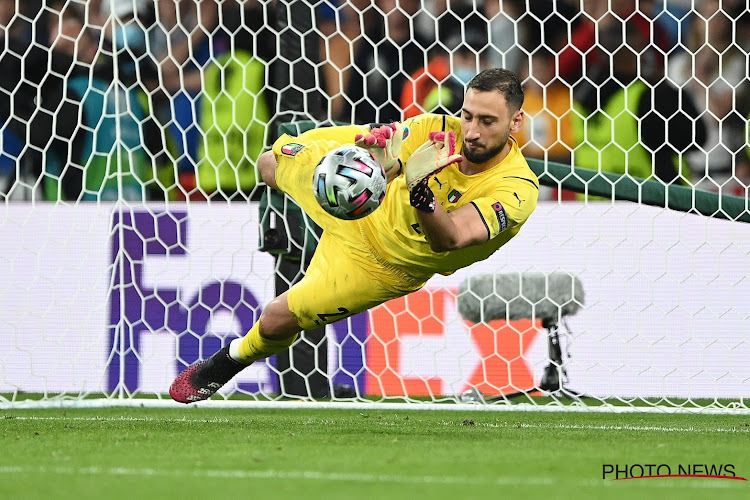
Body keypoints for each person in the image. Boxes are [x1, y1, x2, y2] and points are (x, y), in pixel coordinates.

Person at [170, 68, 540, 403]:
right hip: (368, 207)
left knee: (275, 319)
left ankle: (230, 359)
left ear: (516, 121)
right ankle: (330, 207)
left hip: (383, 266)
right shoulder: (439, 130)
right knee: (271, 161)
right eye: (467, 115)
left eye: (487, 121)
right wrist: (376, 159)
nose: (472, 131)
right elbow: (390, 163)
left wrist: (421, 191)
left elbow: (452, 239)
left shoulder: (517, 188)